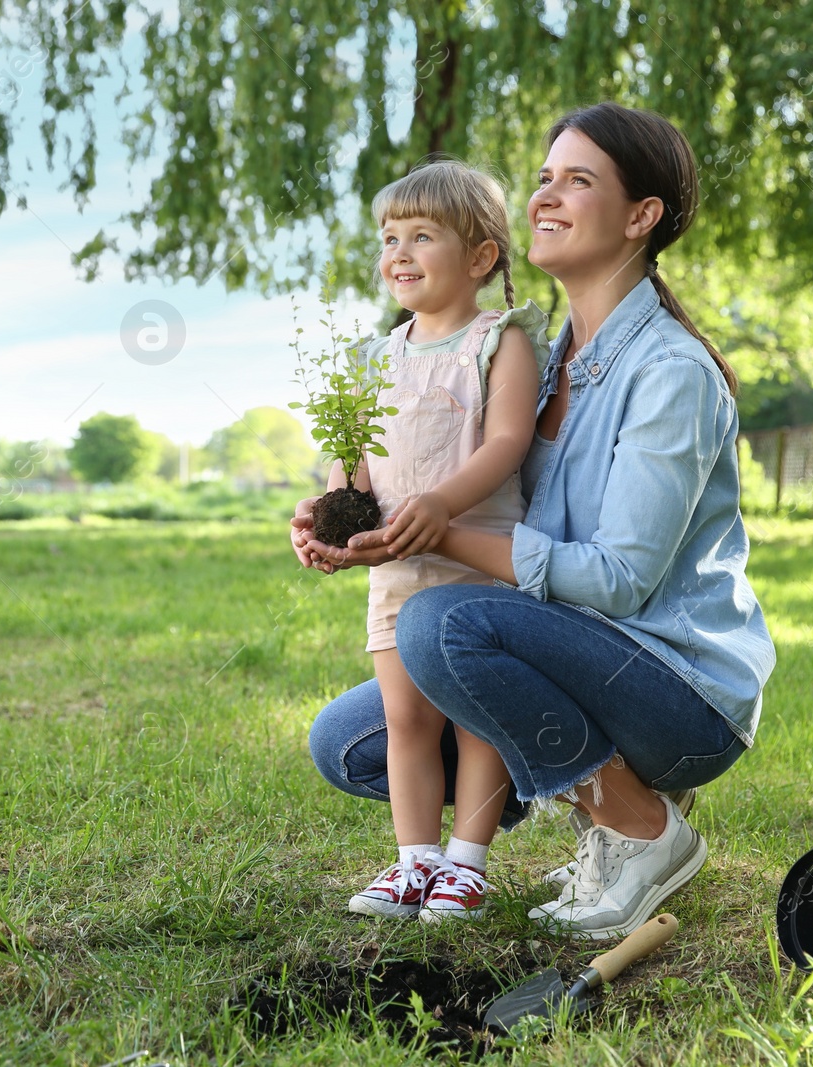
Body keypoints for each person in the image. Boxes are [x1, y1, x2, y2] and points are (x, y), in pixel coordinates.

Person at [294, 104, 776, 940]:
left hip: (678, 691)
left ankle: (639, 825)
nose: (545, 196)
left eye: (577, 180)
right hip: (579, 656)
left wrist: (438, 532)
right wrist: (344, 510)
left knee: (442, 621)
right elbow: (419, 448)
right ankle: (590, 809)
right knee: (351, 739)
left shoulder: (668, 372)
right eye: (544, 177)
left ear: (640, 217)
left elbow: (621, 578)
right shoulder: (549, 357)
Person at [317, 160, 552, 922]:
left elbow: (508, 441)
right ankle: (413, 861)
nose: (400, 253)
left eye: (422, 235)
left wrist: (440, 506)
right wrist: (322, 516)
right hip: (395, 572)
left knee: (474, 720)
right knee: (407, 720)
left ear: (482, 257)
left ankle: (467, 863)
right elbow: (346, 466)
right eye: (390, 238)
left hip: (475, 573)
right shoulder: (375, 358)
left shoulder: (498, 341)